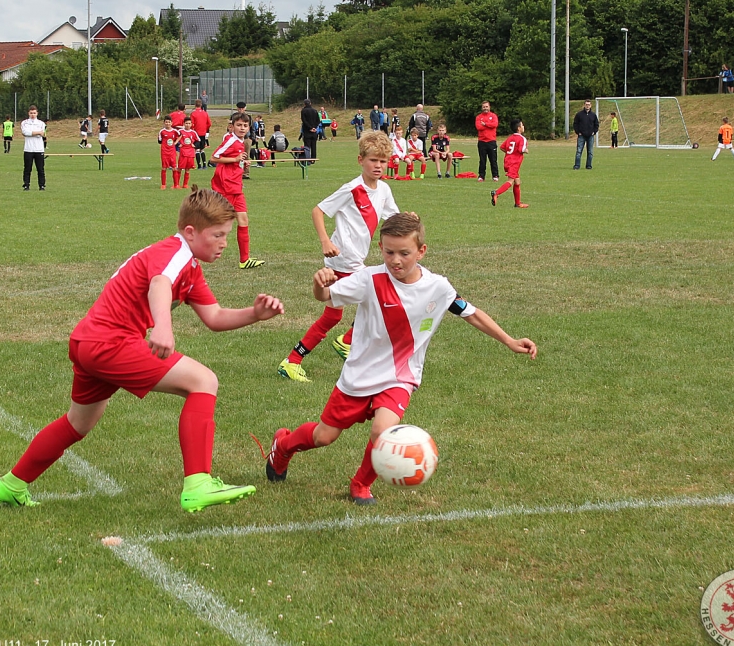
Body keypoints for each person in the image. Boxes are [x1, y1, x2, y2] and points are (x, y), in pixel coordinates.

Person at [0, 187, 284, 513]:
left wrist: (254, 314)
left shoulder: (189, 267)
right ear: (190, 232)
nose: (225, 243)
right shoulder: (175, 254)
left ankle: (11, 485)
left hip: (89, 342)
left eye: (226, 235)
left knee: (78, 423)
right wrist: (163, 326)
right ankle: (198, 483)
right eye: (218, 235)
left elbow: (214, 317)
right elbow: (159, 284)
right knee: (204, 381)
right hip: (110, 342)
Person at [264, 212, 537, 505]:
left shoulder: (438, 287)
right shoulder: (369, 279)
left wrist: (509, 340)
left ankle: (361, 484)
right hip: (359, 375)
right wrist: (320, 284)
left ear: (421, 251)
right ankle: (283, 445)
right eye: (389, 252)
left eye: (404, 253)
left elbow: (470, 313)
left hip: (400, 376)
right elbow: (325, 297)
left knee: (383, 431)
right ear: (380, 248)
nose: (396, 260)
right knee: (324, 437)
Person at [278, 130, 399, 383]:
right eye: (373, 160)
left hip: (354, 261)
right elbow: (318, 211)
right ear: (360, 160)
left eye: (383, 161)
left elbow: (393, 218)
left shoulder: (384, 190)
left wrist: (409, 219)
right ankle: (314, 353)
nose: (378, 166)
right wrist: (325, 241)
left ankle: (299, 358)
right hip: (343, 261)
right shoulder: (352, 189)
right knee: (381, 300)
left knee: (336, 315)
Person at [211, 111, 265, 269]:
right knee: (218, 224)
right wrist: (235, 159)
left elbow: (233, 162)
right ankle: (194, 248)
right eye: (239, 125)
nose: (242, 128)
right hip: (226, 187)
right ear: (232, 126)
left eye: (245, 125)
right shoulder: (230, 140)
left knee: (243, 220)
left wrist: (241, 163)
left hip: (236, 187)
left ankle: (244, 260)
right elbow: (214, 158)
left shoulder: (240, 141)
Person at [491, 118, 529, 208]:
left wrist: (510, 153)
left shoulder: (510, 138)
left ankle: (517, 203)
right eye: (522, 125)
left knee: (517, 181)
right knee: (510, 181)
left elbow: (502, 147)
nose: (523, 126)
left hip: (507, 161)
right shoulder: (522, 139)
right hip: (514, 163)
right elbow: (521, 149)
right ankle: (496, 193)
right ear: (519, 128)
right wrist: (526, 150)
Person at [21, 105, 47, 190]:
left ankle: (41, 185)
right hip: (28, 149)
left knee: (40, 169)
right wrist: (37, 132)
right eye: (31, 113)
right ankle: (26, 184)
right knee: (27, 168)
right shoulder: (24, 123)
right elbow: (25, 133)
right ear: (28, 113)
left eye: (34, 113)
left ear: (37, 113)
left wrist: (33, 133)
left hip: (39, 149)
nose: (33, 115)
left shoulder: (41, 123)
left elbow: (42, 134)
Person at [475, 101, 499, 182]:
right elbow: (478, 127)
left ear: (489, 107)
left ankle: (495, 175)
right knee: (482, 160)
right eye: (484, 107)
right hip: (482, 141)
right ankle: (481, 176)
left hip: (491, 141)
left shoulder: (493, 116)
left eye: (486, 106)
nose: (485, 108)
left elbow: (495, 125)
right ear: (482, 108)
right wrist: (489, 125)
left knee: (493, 160)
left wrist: (485, 124)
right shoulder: (479, 117)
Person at [573, 99, 598, 170]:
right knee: (579, 151)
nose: (587, 106)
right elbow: (575, 124)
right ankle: (577, 165)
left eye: (589, 105)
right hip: (581, 136)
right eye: (586, 104)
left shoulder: (593, 115)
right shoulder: (579, 114)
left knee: (590, 152)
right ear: (584, 105)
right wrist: (578, 132)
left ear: (591, 105)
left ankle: (589, 165)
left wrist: (594, 132)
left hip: (590, 136)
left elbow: (596, 124)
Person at [176, 117, 200, 189]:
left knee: (188, 169)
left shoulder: (193, 132)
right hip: (183, 152)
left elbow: (198, 141)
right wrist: (178, 144)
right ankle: (177, 184)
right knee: (180, 168)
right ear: (183, 124)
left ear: (191, 124)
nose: (187, 125)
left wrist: (195, 145)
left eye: (189, 123)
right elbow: (175, 139)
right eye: (186, 123)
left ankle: (185, 184)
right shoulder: (180, 131)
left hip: (190, 153)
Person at [158, 115, 180, 190]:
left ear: (171, 123)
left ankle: (176, 185)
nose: (167, 123)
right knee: (164, 167)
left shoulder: (175, 131)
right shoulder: (162, 131)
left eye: (169, 122)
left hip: (172, 152)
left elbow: (180, 135)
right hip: (164, 152)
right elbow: (159, 141)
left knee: (174, 168)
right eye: (166, 122)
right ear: (164, 123)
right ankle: (163, 184)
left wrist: (175, 142)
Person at [190, 100, 212, 169]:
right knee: (202, 149)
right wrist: (205, 129)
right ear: (201, 105)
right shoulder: (205, 113)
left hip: (196, 133)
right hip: (203, 133)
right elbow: (209, 123)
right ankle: (204, 165)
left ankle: (199, 165)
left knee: (197, 149)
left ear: (195, 105)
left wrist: (193, 130)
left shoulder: (193, 114)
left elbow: (192, 124)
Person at [301, 99, 320, 163]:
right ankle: (313, 159)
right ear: (310, 103)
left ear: (304, 104)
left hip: (307, 131)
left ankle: (307, 159)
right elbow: (318, 120)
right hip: (314, 132)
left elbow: (304, 121)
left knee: (307, 146)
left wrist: (310, 128)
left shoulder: (303, 111)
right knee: (314, 146)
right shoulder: (315, 111)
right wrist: (314, 127)